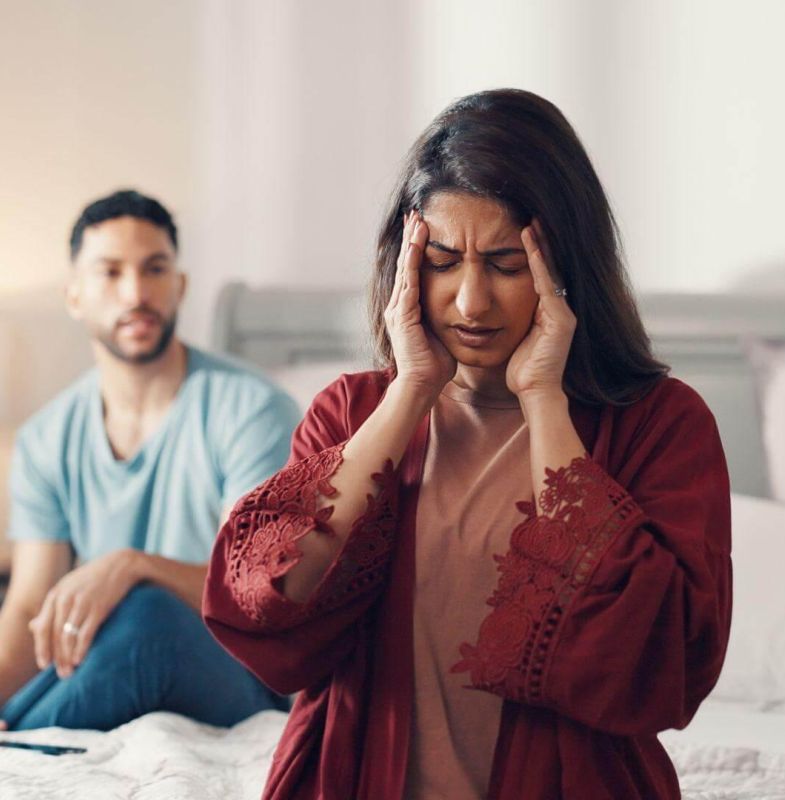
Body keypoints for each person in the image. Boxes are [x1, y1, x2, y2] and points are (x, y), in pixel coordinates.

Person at [203, 90, 732, 799]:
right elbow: (267, 603)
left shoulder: (661, 425)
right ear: (406, 266)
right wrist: (410, 392)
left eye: (508, 265)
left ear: (566, 266)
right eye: (444, 261)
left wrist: (544, 399)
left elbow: (660, 658)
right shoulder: (353, 413)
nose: (470, 302)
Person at [0, 190, 300, 731]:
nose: (136, 292)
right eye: (110, 273)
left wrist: (133, 567)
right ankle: (19, 738)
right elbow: (28, 609)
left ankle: (22, 740)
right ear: (75, 296)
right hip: (108, 669)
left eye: (154, 269)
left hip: (237, 679)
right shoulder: (46, 438)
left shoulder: (252, 410)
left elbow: (258, 591)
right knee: (106, 629)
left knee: (146, 614)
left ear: (179, 286)